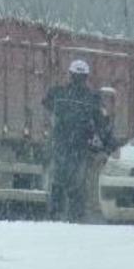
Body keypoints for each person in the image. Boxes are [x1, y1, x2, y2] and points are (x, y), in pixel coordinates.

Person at [43, 59, 114, 222]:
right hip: (80, 147)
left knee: (58, 180)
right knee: (77, 182)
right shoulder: (92, 98)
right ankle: (76, 215)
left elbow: (46, 103)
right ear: (86, 76)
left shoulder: (58, 94)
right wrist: (109, 145)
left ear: (70, 74)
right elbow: (102, 123)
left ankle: (55, 213)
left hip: (61, 144)